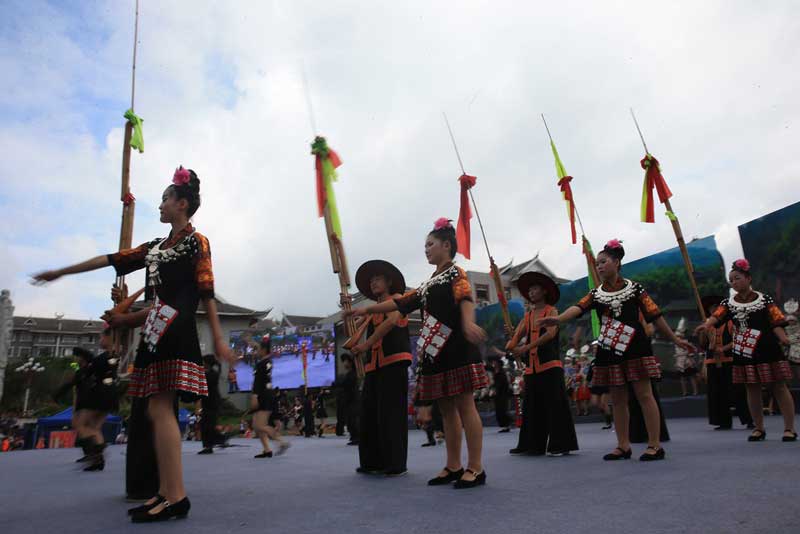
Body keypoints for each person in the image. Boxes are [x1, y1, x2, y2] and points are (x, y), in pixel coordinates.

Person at [33, 165, 234, 521]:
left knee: (162, 409)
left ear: (181, 203)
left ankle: (176, 495)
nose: (160, 205)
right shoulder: (154, 248)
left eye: (165, 199)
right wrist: (63, 271)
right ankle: (166, 492)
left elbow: (206, 291)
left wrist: (218, 336)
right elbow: (113, 259)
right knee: (157, 411)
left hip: (176, 328)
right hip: (156, 329)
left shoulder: (196, 241)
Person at [347, 218, 489, 488]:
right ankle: (453, 465)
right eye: (425, 245)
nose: (426, 249)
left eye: (430, 244)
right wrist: (365, 309)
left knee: (465, 405)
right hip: (436, 352)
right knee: (446, 409)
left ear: (446, 245)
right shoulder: (425, 285)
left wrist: (468, 322)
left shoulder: (455, 273)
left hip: (457, 346)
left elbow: (465, 298)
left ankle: (476, 467)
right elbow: (400, 303)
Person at [540, 239, 692, 461]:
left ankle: (654, 445)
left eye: (603, 262)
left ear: (617, 262)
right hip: (609, 349)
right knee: (618, 398)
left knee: (644, 395)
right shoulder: (596, 293)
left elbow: (655, 316)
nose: (599, 266)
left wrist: (676, 341)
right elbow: (578, 307)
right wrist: (558, 319)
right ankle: (623, 445)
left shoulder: (635, 289)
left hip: (636, 348)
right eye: (597, 263)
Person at [695, 259, 796, 442]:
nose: (734, 282)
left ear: (748, 278)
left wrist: (784, 339)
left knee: (779, 386)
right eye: (731, 280)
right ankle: (758, 428)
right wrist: (705, 325)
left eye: (737, 278)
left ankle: (789, 429)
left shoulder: (765, 299)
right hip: (743, 350)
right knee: (751, 388)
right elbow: (716, 317)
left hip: (767, 348)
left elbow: (776, 322)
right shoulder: (728, 303)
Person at [350, 260, 413, 476]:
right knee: (369, 412)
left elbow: (390, 323)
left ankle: (395, 463)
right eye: (371, 280)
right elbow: (353, 328)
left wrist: (366, 344)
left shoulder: (398, 301)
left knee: (391, 413)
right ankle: (372, 461)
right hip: (373, 365)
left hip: (394, 362)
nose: (373, 282)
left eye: (377, 278)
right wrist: (347, 308)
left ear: (388, 281)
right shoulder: (371, 311)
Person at [506, 271, 578, 456]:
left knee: (555, 406)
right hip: (532, 368)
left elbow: (550, 334)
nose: (531, 292)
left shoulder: (551, 311)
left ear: (544, 291)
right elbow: (515, 339)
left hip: (550, 365)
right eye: (529, 290)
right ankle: (531, 445)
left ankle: (560, 445)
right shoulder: (528, 316)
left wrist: (525, 347)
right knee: (531, 407)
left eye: (535, 288)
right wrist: (512, 344)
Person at [250, 335, 290, 458]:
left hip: (263, 395)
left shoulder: (261, 364)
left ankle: (282, 442)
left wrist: (254, 396)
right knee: (256, 426)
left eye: (258, 350)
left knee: (261, 425)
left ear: (263, 350)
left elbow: (258, 382)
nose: (256, 352)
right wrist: (253, 343)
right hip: (268, 393)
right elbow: (263, 350)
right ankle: (267, 450)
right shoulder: (268, 361)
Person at [198, 354, 226, 454]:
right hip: (210, 402)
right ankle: (211, 444)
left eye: (203, 362)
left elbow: (202, 386)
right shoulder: (212, 373)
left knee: (207, 425)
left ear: (207, 363)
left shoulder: (210, 375)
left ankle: (215, 442)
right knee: (207, 425)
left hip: (212, 403)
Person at [333, 355, 360, 445]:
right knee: (349, 419)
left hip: (353, 400)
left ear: (350, 363)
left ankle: (357, 437)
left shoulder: (352, 374)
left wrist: (336, 383)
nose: (344, 363)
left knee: (353, 419)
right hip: (349, 400)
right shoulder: (349, 373)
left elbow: (345, 383)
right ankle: (354, 437)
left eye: (345, 361)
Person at [491, 359, 512, 433]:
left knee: (502, 410)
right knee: (499, 410)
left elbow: (503, 384)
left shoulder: (502, 373)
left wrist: (496, 389)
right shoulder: (495, 372)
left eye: (495, 362)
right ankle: (504, 426)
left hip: (503, 394)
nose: (493, 363)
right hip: (498, 395)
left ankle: (507, 425)